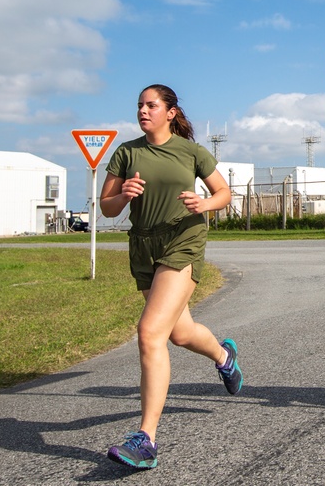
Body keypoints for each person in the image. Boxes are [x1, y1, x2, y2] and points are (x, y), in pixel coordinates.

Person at [100, 84, 241, 470]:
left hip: (183, 240)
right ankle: (224, 356)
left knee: (150, 333)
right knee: (179, 333)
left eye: (151, 105)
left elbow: (224, 193)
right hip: (143, 247)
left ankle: (145, 440)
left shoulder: (191, 151)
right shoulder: (127, 152)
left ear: (171, 112)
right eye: (140, 106)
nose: (143, 111)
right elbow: (107, 208)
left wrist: (205, 202)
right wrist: (124, 194)